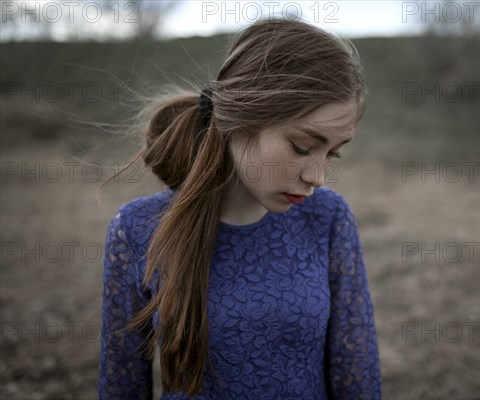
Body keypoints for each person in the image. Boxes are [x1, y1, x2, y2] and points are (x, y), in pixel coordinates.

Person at [98, 16, 381, 399]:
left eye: (333, 153)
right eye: (301, 146)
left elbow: (357, 377)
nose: (317, 176)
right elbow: (121, 385)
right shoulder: (137, 229)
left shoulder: (328, 218)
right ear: (239, 119)